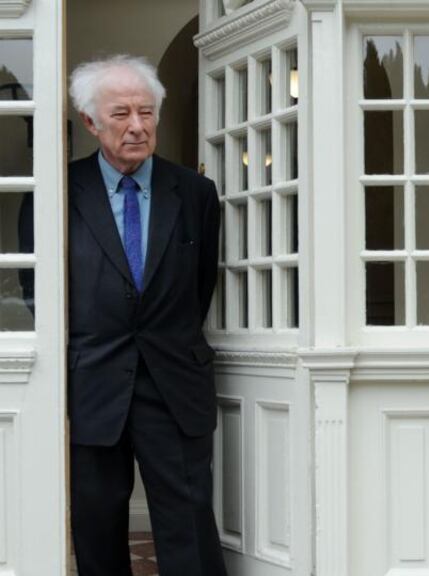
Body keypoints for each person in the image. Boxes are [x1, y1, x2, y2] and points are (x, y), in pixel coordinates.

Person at [67, 55, 226, 575]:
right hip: (93, 382)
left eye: (147, 112)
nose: (137, 126)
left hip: (175, 380)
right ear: (91, 122)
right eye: (121, 114)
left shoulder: (196, 193)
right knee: (96, 523)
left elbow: (200, 284)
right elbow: (43, 293)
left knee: (188, 521)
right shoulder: (60, 193)